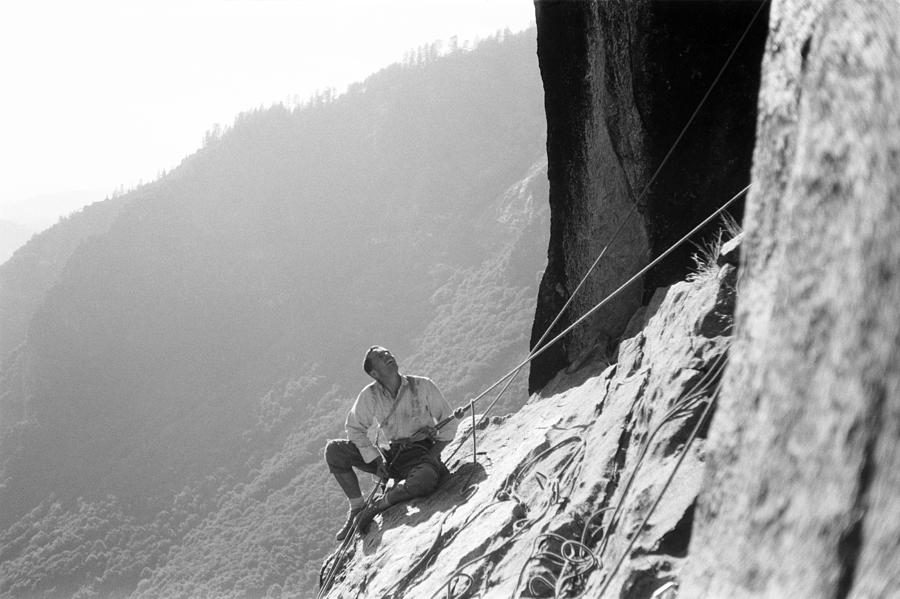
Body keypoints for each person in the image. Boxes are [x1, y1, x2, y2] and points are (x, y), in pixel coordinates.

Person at [324, 346, 464, 540]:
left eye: (387, 353)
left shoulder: (422, 385)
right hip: (390, 458)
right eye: (381, 356)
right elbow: (354, 428)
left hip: (420, 452)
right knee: (335, 451)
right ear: (374, 373)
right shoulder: (370, 395)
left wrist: (431, 456)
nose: (388, 356)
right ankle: (357, 507)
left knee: (424, 480)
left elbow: (448, 424)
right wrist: (376, 460)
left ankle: (380, 505)